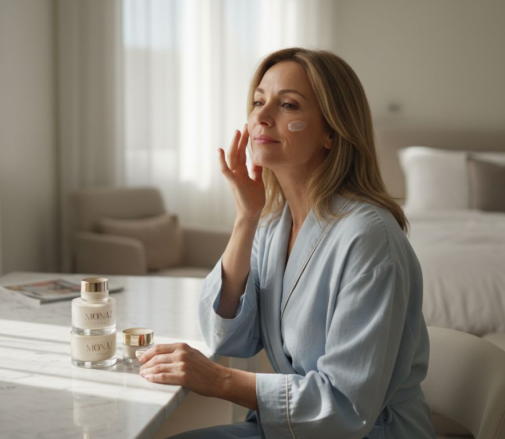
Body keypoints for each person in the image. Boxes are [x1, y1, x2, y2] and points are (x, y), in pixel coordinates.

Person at [136, 47, 436, 439]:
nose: (261, 116)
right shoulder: (275, 224)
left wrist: (220, 380)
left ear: (332, 131)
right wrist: (247, 216)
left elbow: (346, 405)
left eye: (288, 105)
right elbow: (228, 337)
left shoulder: (368, 238)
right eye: (259, 101)